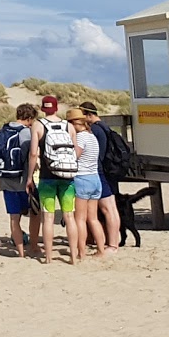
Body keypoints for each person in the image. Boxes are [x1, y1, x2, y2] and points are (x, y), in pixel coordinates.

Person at [27, 95, 79, 265]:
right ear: (56, 108)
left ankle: (48, 257)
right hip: (68, 177)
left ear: (43, 109)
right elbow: (76, 150)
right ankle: (73, 256)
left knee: (48, 217)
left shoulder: (38, 125)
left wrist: (29, 177)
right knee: (69, 216)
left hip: (47, 177)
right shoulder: (68, 126)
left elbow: (34, 153)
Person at [0, 104, 37, 257]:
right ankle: (33, 246)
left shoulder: (3, 130)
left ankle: (20, 252)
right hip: (23, 180)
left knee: (14, 218)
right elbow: (30, 156)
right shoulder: (26, 133)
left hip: (5, 180)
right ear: (29, 118)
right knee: (34, 214)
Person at [79, 102, 122, 250]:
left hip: (101, 171)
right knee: (112, 208)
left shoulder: (95, 130)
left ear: (89, 115)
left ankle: (112, 244)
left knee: (107, 209)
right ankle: (113, 241)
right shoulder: (105, 127)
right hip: (110, 170)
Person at [67, 106, 104, 259]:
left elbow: (75, 156)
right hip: (95, 178)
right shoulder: (91, 136)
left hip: (83, 178)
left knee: (80, 219)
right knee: (93, 218)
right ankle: (101, 249)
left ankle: (81, 251)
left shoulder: (81, 137)